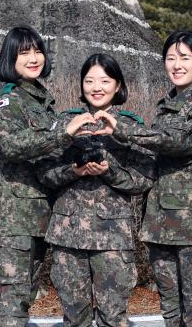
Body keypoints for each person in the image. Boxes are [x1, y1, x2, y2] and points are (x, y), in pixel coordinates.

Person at [95, 31, 192, 327]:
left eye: (185, 58)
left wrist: (123, 130)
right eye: (170, 58)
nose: (177, 65)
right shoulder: (163, 109)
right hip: (160, 226)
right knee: (171, 312)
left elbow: (177, 141)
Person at [0, 25, 94, 327]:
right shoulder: (9, 102)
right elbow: (13, 145)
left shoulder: (40, 104)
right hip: (11, 220)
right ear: (9, 58)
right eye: (24, 52)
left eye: (37, 50)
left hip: (35, 217)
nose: (33, 58)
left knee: (23, 298)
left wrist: (75, 164)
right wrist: (63, 134)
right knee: (12, 306)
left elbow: (46, 160)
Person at [37, 53, 155, 327]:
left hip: (112, 240)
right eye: (89, 80)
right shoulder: (65, 123)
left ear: (118, 85)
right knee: (74, 319)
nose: (96, 87)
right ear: (81, 85)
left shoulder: (130, 126)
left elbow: (143, 179)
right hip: (68, 237)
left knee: (112, 318)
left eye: (105, 80)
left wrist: (110, 172)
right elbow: (43, 172)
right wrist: (73, 171)